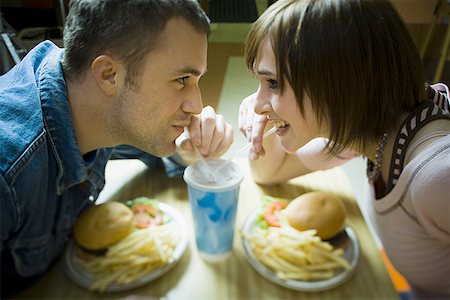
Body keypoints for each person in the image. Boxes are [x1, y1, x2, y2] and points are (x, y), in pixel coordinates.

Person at [0, 0, 233, 297]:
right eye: (181, 79)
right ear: (109, 74)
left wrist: (187, 149)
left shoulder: (89, 98)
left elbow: (141, 140)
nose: (197, 105)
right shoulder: (8, 171)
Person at [238, 0, 450, 299]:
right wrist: (265, 118)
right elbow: (267, 172)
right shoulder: (366, 126)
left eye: (273, 82)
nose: (258, 103)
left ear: (341, 81)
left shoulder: (438, 174)